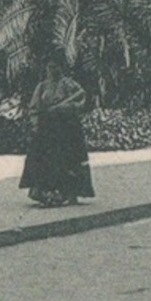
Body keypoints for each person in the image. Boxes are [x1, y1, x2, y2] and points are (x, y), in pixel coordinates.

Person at [19, 60, 94, 208]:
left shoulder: (70, 85)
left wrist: (67, 107)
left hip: (68, 128)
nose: (52, 70)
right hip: (47, 128)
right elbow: (34, 108)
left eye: (55, 67)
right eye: (50, 67)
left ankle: (69, 193)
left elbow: (81, 101)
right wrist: (35, 124)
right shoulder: (42, 87)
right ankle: (45, 191)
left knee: (68, 159)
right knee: (44, 159)